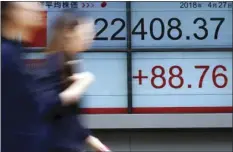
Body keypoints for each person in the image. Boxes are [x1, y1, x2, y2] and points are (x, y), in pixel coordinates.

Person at [1, 2, 95, 152]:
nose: (39, 8)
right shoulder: (9, 55)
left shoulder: (17, 52)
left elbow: (65, 117)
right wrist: (75, 90)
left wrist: (88, 138)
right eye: (85, 32)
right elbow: (40, 107)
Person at [36, 9, 111, 152]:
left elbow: (67, 116)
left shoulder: (70, 62)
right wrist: (79, 87)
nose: (90, 37)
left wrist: (93, 141)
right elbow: (45, 105)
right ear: (68, 33)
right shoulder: (53, 63)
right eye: (85, 32)